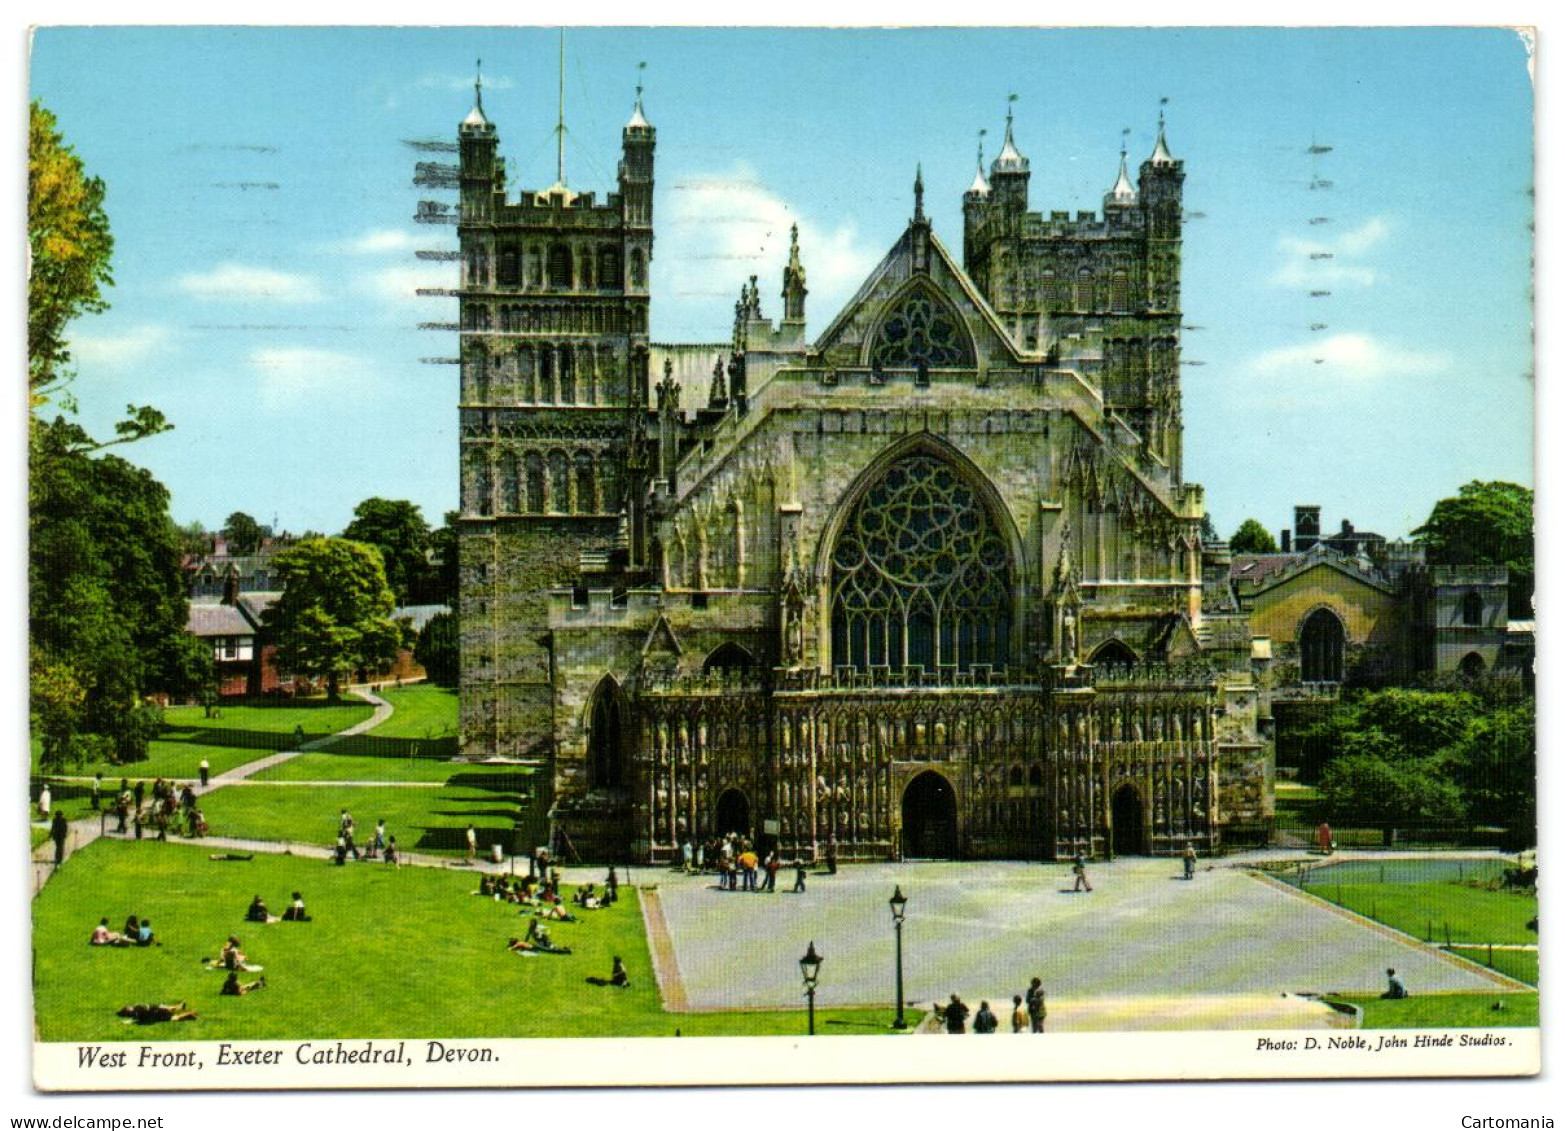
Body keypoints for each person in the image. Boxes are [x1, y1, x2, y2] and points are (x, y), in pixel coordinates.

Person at [118, 1001, 198, 1024]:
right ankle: (181, 1008)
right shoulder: (137, 1007)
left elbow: (137, 1020)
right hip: (157, 1009)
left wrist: (127, 1022)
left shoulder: (137, 1010)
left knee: (175, 1017)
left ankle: (190, 1013)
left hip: (157, 1014)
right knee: (171, 1010)